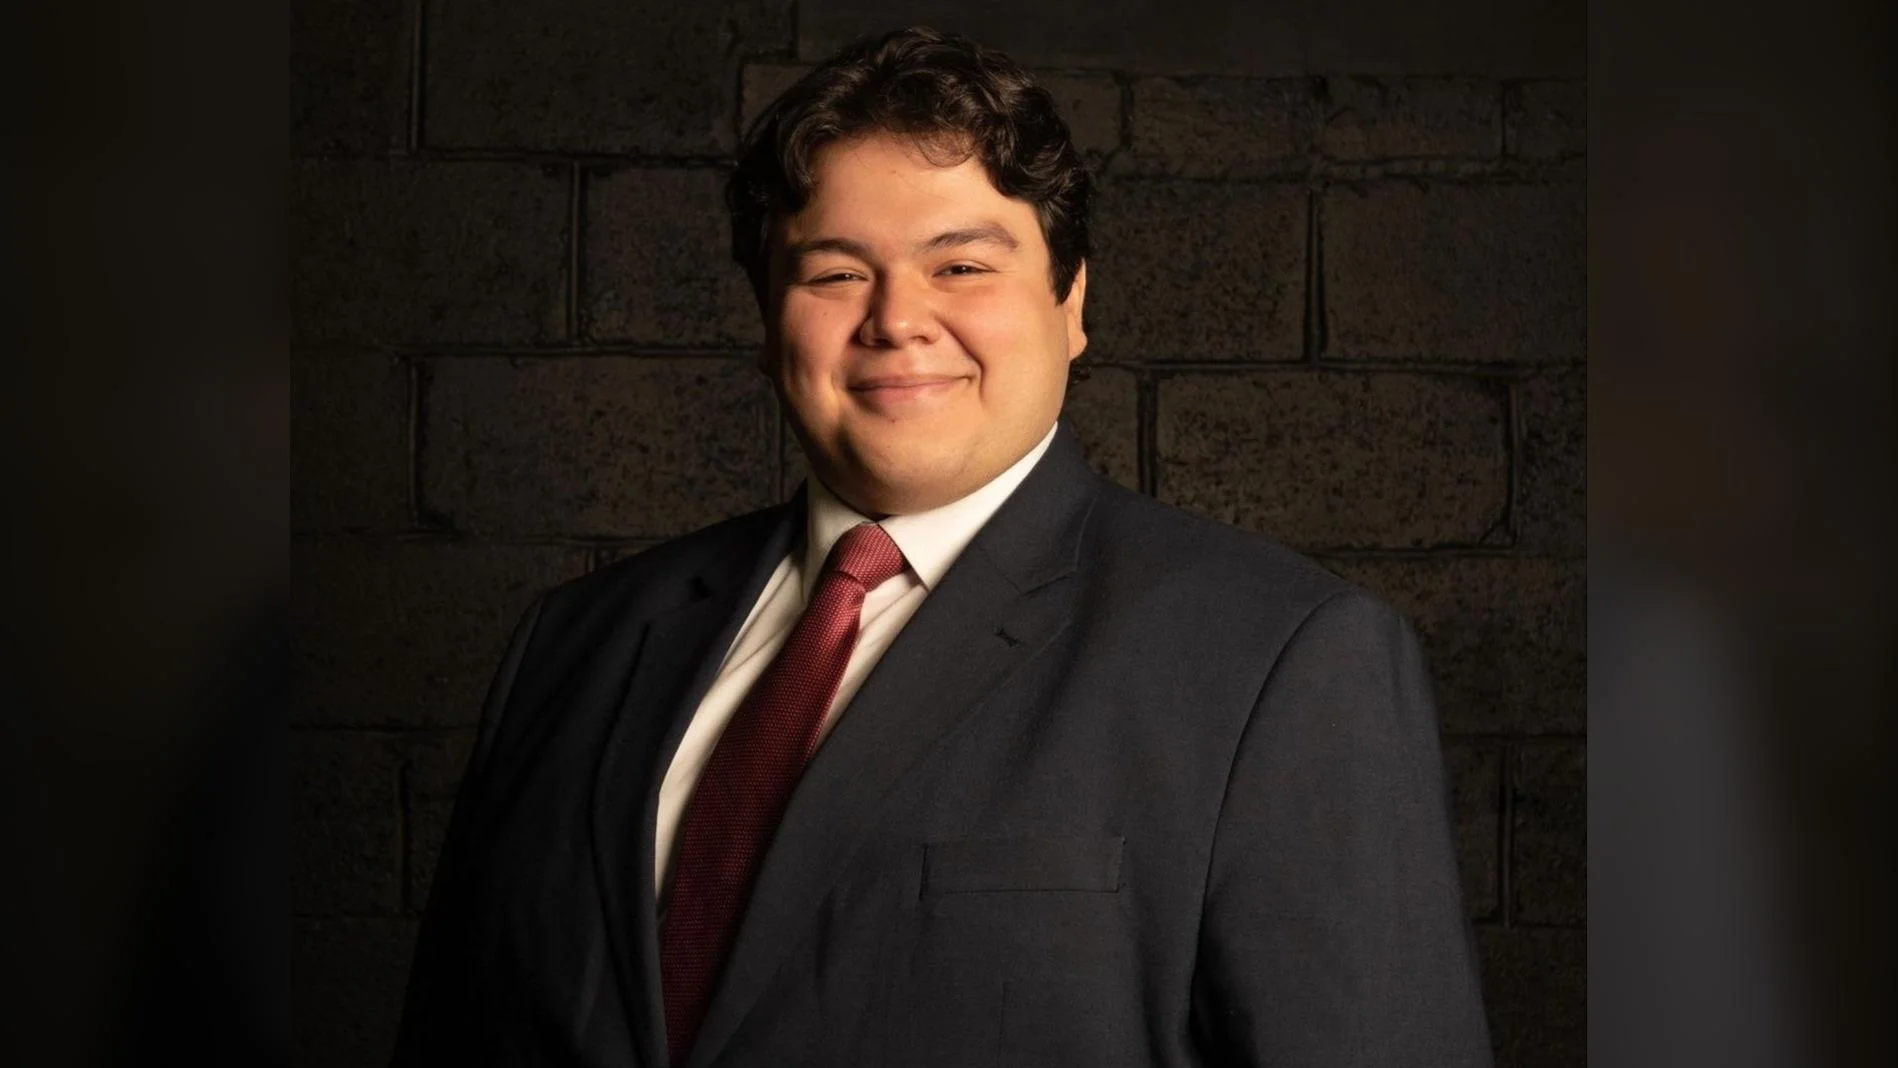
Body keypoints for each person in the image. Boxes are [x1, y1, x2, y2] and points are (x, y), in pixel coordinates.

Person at [394, 26, 1491, 1068]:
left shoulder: (1281, 661)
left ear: (1071, 302)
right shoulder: (574, 646)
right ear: (767, 316)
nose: (896, 320)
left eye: (961, 267)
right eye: (834, 273)